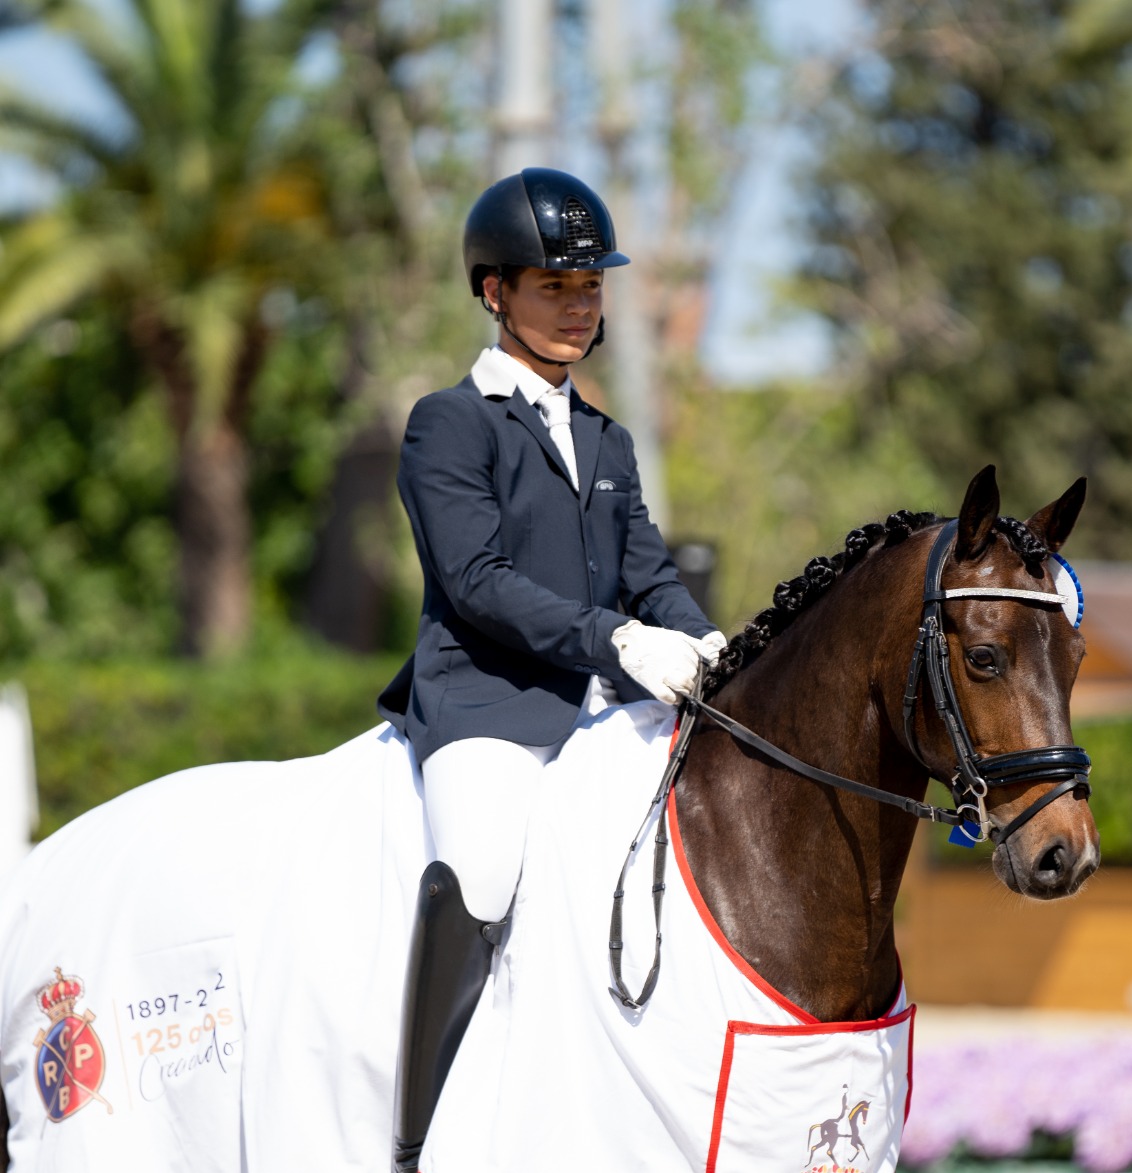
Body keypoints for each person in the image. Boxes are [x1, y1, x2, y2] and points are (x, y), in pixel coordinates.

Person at [375, 167, 723, 1173]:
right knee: (480, 864)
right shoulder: (451, 422)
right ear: (495, 293)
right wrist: (616, 643)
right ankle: (417, 1130)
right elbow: (476, 581)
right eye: (553, 287)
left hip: (601, 714)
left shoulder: (607, 439)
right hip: (486, 707)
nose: (578, 307)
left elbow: (650, 574)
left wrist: (712, 649)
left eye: (589, 287)